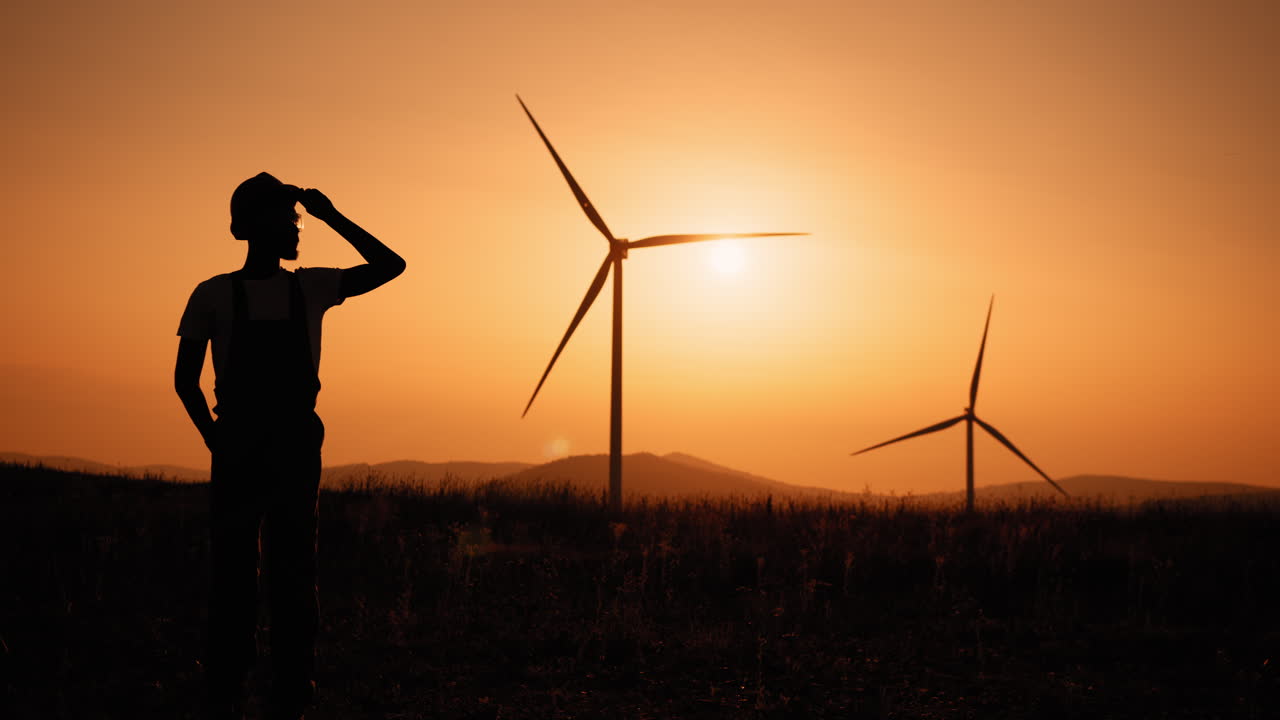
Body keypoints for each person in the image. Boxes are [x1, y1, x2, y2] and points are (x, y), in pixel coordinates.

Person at [174, 172, 405, 720]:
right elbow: (183, 380)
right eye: (290, 220)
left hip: (283, 444)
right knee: (254, 569)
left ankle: (282, 690)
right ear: (255, 226)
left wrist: (332, 214)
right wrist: (218, 441)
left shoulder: (308, 286)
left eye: (300, 220)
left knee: (285, 569)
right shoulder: (219, 292)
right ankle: (246, 686)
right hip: (256, 444)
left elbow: (392, 265)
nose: (299, 230)